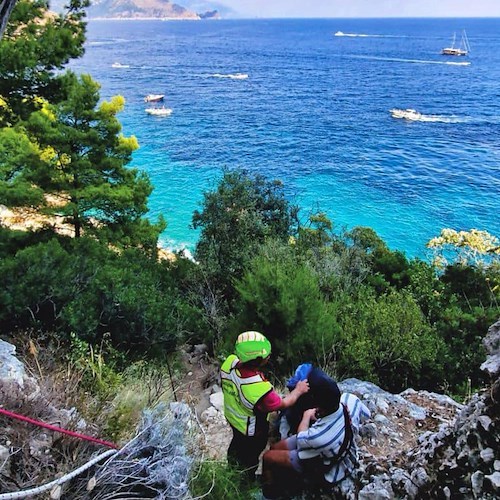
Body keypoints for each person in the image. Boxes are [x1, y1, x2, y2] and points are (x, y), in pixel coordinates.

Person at [261, 373, 371, 499]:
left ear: (319, 406)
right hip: (336, 447)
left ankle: (270, 494)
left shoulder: (318, 437)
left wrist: (306, 416)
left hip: (328, 469)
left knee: (268, 457)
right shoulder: (349, 400)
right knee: (275, 448)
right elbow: (366, 414)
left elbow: (301, 436)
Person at [220, 331, 310, 479]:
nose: (269, 356)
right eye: (267, 355)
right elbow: (285, 403)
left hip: (233, 419)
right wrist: (299, 390)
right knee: (250, 457)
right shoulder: (259, 389)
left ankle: (231, 470)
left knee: (236, 447)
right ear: (258, 360)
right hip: (251, 430)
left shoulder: (228, 363)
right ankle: (246, 481)